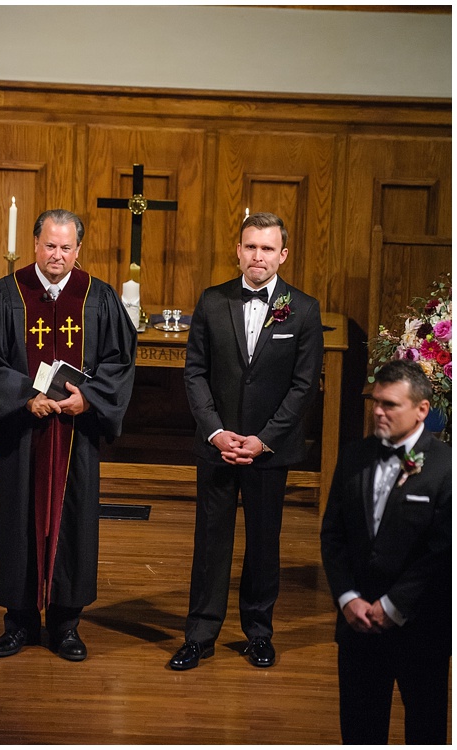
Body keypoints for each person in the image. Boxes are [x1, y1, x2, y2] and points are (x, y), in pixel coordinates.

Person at [0, 208, 136, 662]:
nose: (57, 255)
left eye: (66, 247)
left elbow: (120, 361)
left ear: (78, 250)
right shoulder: (5, 294)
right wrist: (24, 397)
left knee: (73, 522)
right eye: (49, 245)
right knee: (16, 521)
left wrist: (89, 399)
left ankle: (65, 626)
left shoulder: (98, 297)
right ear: (35, 244)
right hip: (21, 436)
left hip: (76, 436)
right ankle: (18, 623)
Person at [170, 211, 323, 671]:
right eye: (251, 246)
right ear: (238, 250)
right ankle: (199, 635)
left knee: (263, 544)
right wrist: (217, 432)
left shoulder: (304, 309)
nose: (258, 256)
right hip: (218, 444)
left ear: (283, 254)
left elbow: (304, 385)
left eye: (267, 248)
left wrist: (263, 439)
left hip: (269, 450)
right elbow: (195, 373)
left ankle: (258, 633)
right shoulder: (212, 300)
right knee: (210, 544)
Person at [320, 359, 451, 744]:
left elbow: (443, 551)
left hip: (420, 628)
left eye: (390, 404)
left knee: (425, 732)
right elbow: (333, 535)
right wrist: (347, 598)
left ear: (421, 409)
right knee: (360, 732)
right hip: (358, 625)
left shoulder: (447, 467)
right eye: (376, 402)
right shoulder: (353, 456)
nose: (378, 411)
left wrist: (393, 606)